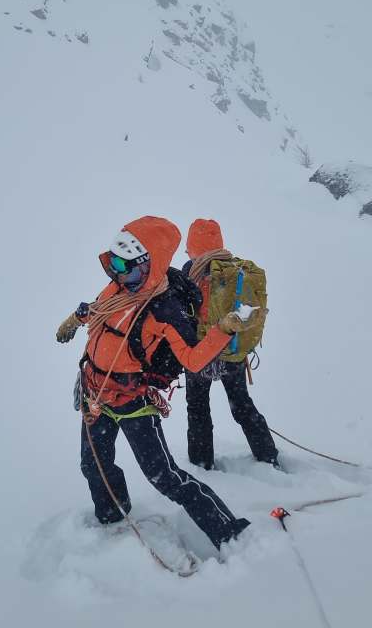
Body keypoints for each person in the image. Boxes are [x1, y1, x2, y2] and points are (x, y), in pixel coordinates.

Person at [56, 215, 260, 550]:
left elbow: (192, 359)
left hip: (133, 402)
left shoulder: (165, 309)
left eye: (127, 267)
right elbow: (104, 312)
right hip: (96, 395)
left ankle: (229, 532)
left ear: (148, 265)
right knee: (93, 465)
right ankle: (112, 518)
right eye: (114, 264)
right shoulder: (118, 288)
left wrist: (224, 328)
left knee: (165, 477)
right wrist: (76, 319)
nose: (119, 274)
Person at [182, 218, 281, 471]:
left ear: (193, 246)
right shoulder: (235, 269)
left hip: (202, 352)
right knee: (242, 404)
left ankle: (202, 463)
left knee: (197, 408)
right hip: (232, 351)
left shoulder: (191, 271)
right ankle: (268, 456)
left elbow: (185, 314)